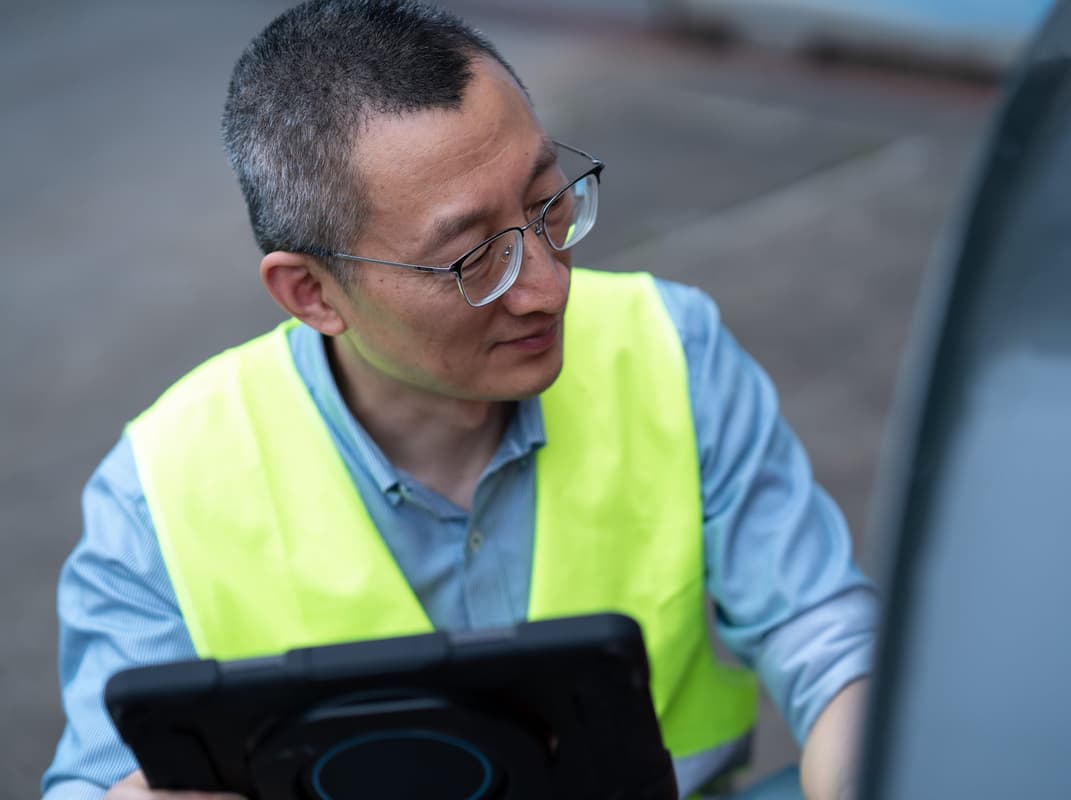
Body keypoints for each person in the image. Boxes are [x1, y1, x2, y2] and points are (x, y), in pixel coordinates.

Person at [42, 2, 876, 798]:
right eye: (473, 261)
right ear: (311, 293)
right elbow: (102, 778)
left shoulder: (671, 347)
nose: (548, 289)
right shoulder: (162, 494)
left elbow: (828, 639)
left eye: (548, 201)